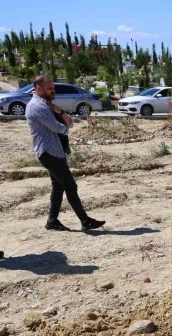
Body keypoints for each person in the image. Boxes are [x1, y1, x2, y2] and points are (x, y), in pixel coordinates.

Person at [25, 75, 105, 231]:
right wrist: (65, 125)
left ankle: (52, 221)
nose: (53, 91)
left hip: (54, 152)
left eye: (53, 88)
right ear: (38, 88)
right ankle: (85, 221)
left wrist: (61, 113)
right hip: (49, 153)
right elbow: (59, 127)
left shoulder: (47, 104)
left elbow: (69, 122)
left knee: (58, 187)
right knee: (70, 185)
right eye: (49, 89)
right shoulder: (37, 106)